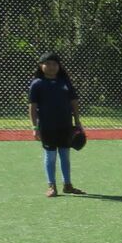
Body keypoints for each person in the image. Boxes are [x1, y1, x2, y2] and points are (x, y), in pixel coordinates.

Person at [27, 52, 85, 197]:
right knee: (50, 156)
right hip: (47, 127)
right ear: (41, 66)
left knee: (65, 155)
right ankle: (51, 186)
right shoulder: (37, 84)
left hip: (65, 125)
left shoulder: (65, 82)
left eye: (55, 64)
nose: (52, 67)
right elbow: (32, 107)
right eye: (48, 63)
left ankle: (68, 185)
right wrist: (34, 127)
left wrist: (77, 122)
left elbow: (74, 102)